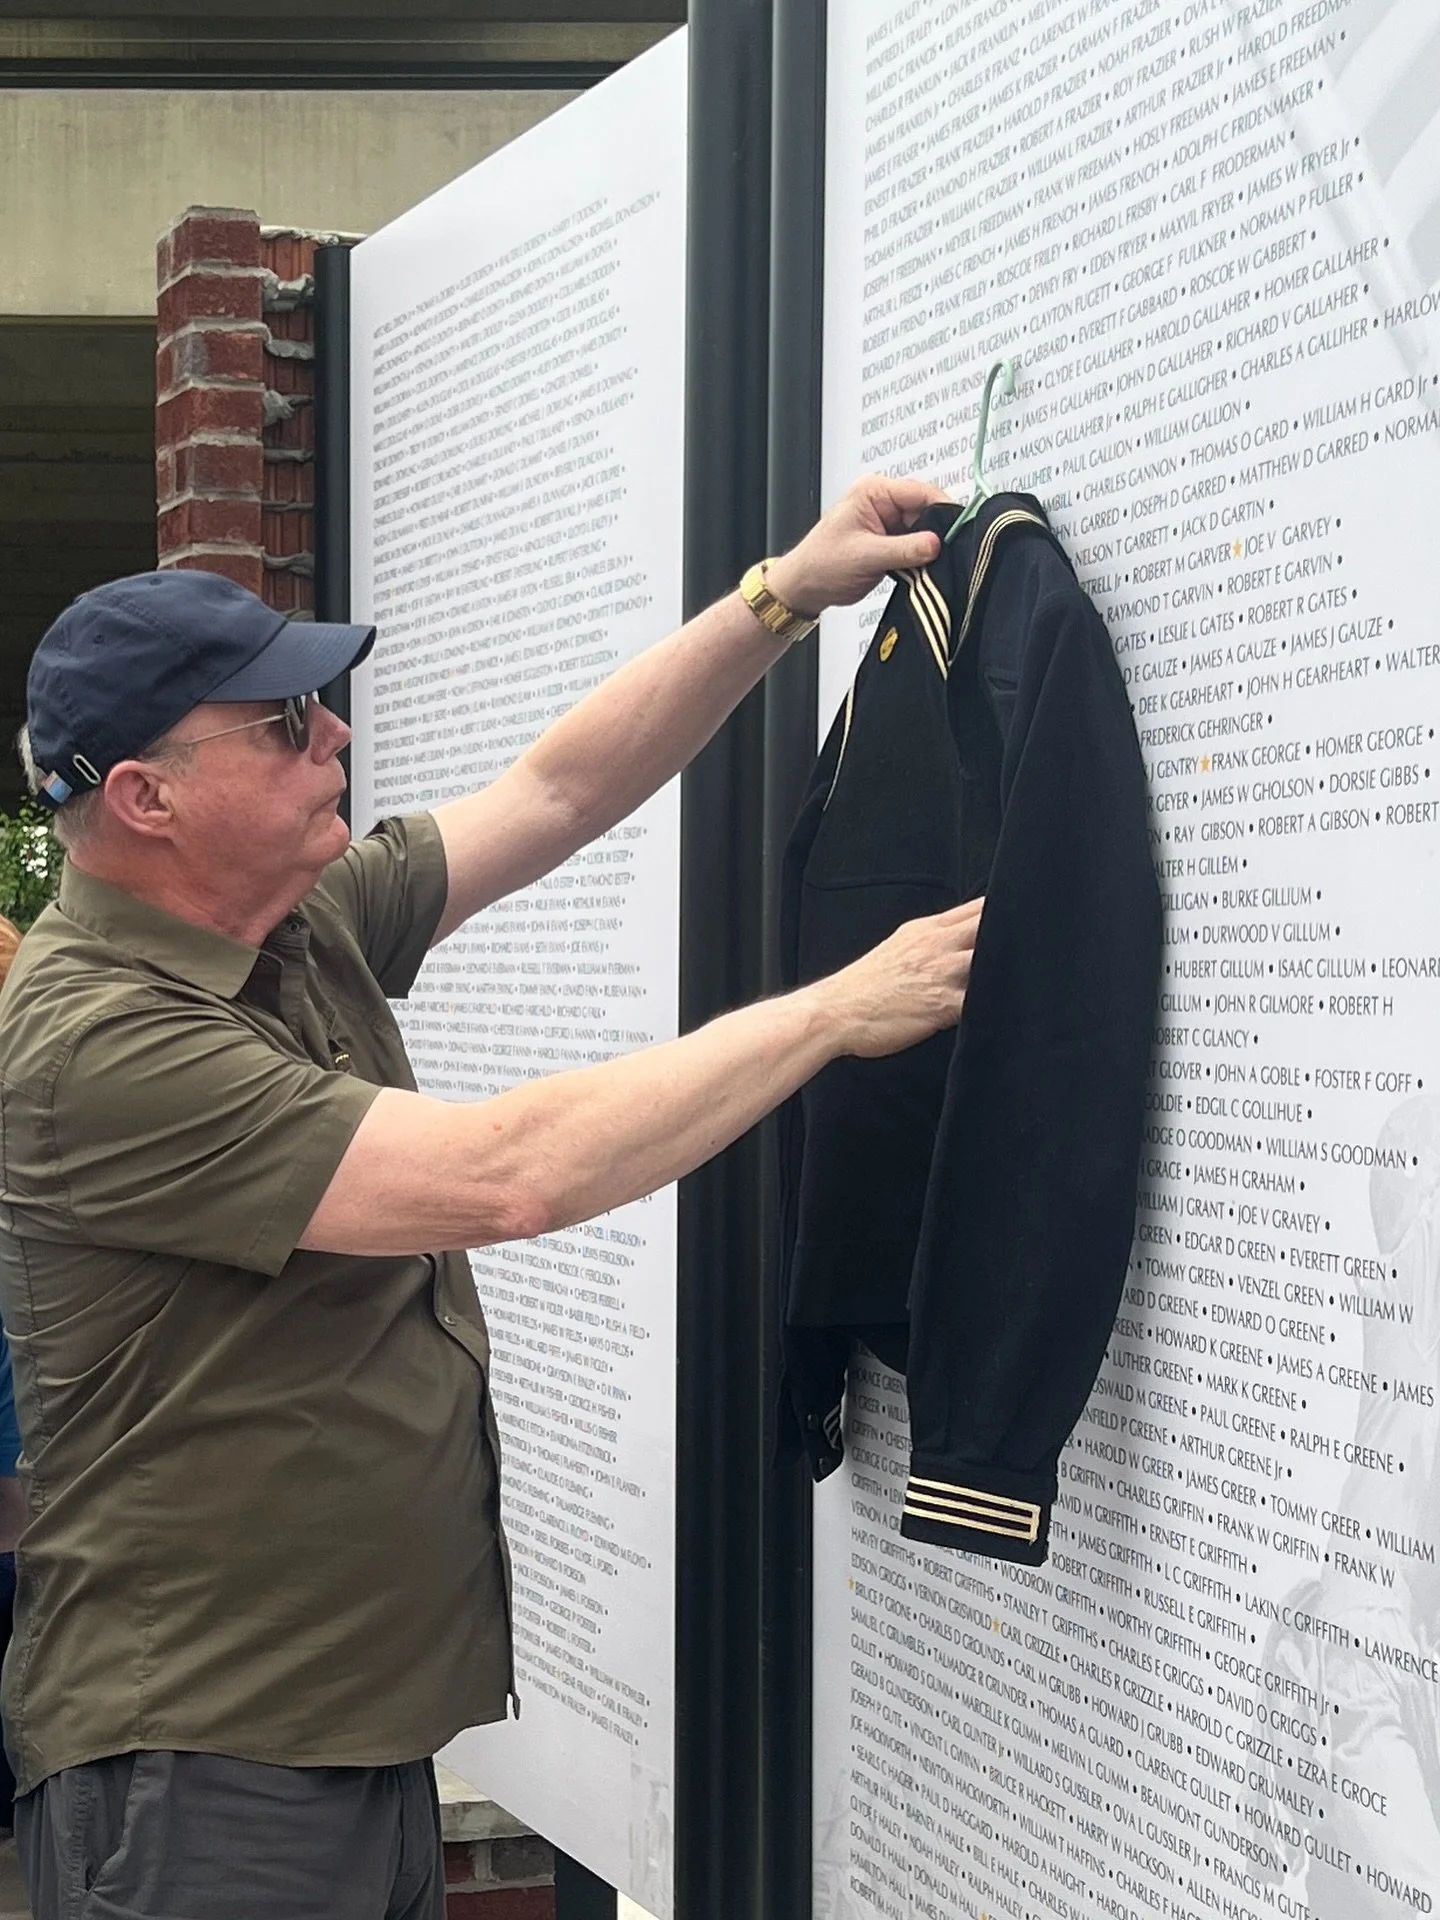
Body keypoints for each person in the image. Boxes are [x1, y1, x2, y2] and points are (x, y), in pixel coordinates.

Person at [0, 475, 981, 1919]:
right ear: (147, 798)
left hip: (329, 1744)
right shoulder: (99, 1045)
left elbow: (558, 791)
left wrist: (784, 595)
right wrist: (836, 1010)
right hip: (205, 1770)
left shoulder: (293, 917)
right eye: (284, 725)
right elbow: (502, 1179)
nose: (334, 734)